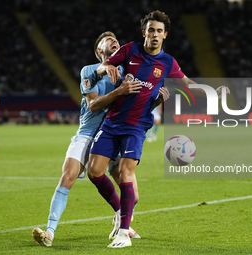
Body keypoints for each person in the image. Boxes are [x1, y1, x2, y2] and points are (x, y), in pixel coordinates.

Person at [88, 10, 229, 248]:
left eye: (159, 31)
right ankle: (121, 213)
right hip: (112, 122)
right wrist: (107, 68)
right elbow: (101, 68)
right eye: (151, 30)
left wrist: (211, 91)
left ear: (164, 36)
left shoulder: (168, 63)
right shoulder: (130, 49)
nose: (155, 34)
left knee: (124, 172)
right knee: (94, 172)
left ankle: (124, 233)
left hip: (136, 127)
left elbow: (187, 83)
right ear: (145, 32)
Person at [32, 31, 145, 247]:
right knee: (67, 177)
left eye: (116, 40)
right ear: (98, 50)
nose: (114, 41)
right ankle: (50, 232)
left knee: (133, 196)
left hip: (113, 135)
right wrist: (119, 90)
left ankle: (119, 217)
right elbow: (93, 105)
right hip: (87, 133)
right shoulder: (90, 70)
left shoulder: (127, 73)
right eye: (108, 40)